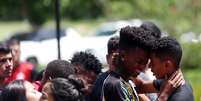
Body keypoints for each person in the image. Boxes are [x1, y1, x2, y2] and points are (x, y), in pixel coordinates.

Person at [102, 26, 155, 101]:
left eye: (145, 63)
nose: (142, 67)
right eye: (139, 62)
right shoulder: (115, 84)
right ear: (123, 56)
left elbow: (143, 85)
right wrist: (164, 95)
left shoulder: (127, 81)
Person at [149, 37, 194, 101]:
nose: (149, 66)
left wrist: (164, 95)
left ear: (167, 65)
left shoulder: (179, 98)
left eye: (153, 63)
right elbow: (140, 86)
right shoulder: (168, 83)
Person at [90, 36, 119, 101]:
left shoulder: (130, 80)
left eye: (121, 57)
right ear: (107, 58)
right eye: (115, 57)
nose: (118, 61)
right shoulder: (101, 82)